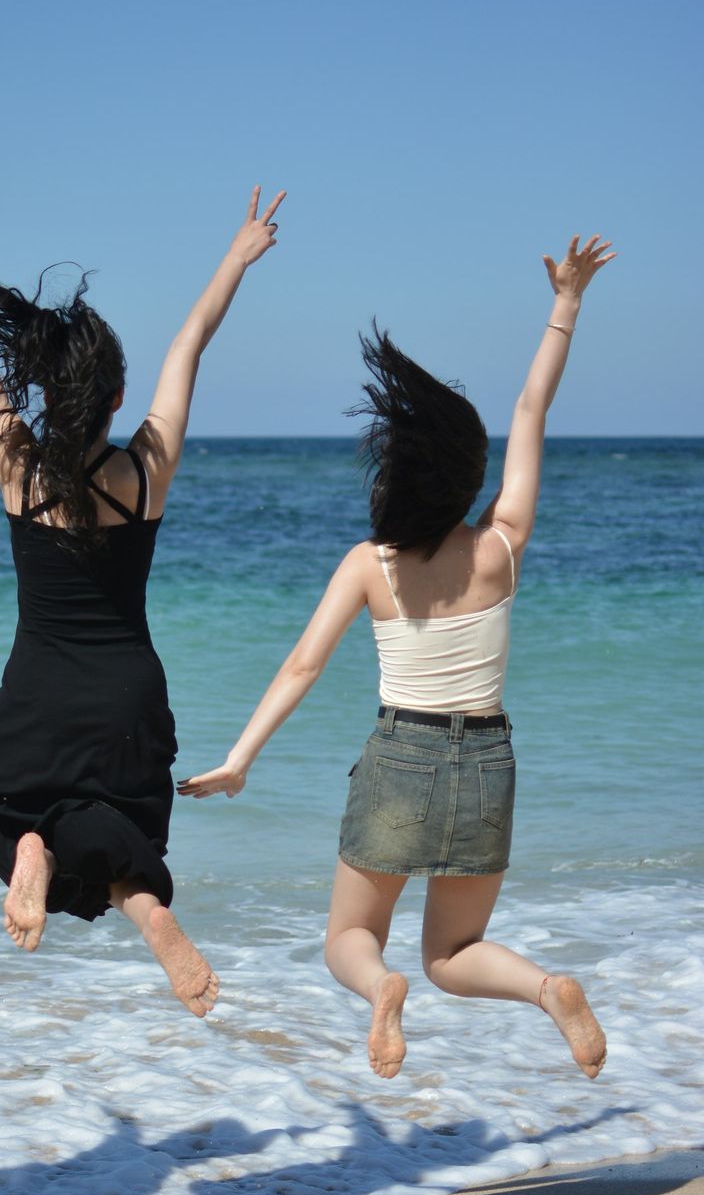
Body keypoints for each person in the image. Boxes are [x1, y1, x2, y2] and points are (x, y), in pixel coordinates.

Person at [179, 235, 615, 1080]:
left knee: (349, 938)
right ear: (464, 479)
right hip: (487, 759)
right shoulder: (502, 548)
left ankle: (381, 990)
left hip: (400, 757)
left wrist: (239, 761)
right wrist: (566, 303)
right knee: (455, 953)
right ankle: (549, 987)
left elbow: (303, 666)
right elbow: (532, 410)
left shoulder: (368, 566)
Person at [0, 185, 285, 1016]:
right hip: (128, 692)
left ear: (48, 392)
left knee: (0, 792)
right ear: (117, 399)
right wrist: (238, 253)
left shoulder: (18, 465)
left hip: (38, 692)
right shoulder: (144, 472)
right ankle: (150, 911)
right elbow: (190, 343)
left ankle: (28, 846)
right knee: (121, 837)